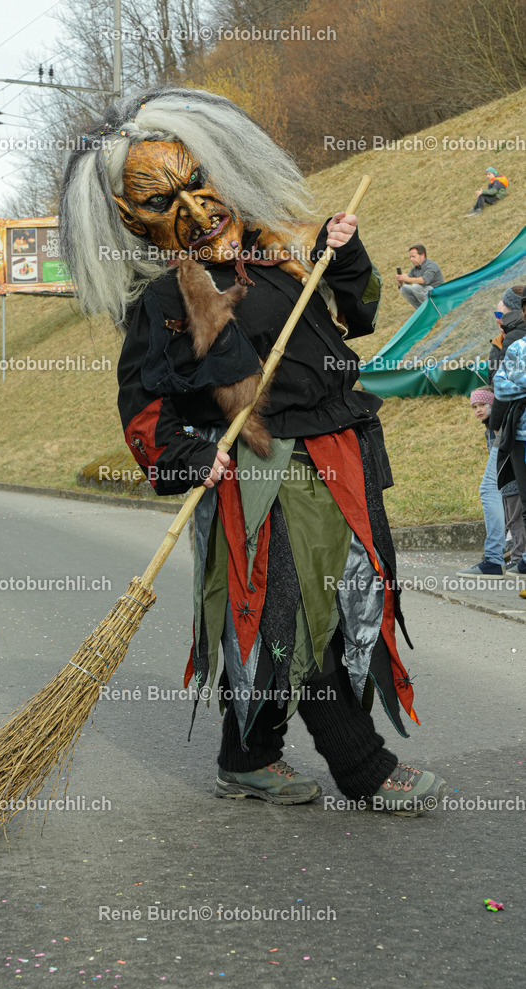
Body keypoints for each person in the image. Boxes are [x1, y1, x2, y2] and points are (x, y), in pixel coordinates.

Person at [60, 87, 447, 815]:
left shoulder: (277, 256)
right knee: (292, 618)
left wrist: (342, 252)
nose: (198, 211)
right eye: (161, 199)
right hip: (260, 477)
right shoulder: (165, 303)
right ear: (133, 223)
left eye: (196, 183)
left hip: (340, 461)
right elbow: (144, 411)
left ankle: (248, 757)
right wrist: (182, 455)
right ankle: (363, 767)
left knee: (323, 608)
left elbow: (355, 317)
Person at [457, 387, 523, 577]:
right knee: (511, 515)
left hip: (510, 484)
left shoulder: (499, 426)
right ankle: (511, 557)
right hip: (508, 483)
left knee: (497, 498)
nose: (478, 410)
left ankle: (498, 557)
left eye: (483, 405)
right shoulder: (489, 431)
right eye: (474, 407)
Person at [493, 312, 526, 578]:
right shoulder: (517, 347)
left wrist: (519, 383)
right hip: (520, 437)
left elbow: (510, 384)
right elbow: (500, 387)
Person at [395, 245, 444, 310]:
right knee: (404, 288)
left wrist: (407, 279)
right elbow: (406, 282)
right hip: (426, 292)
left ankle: (431, 309)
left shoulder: (432, 265)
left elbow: (425, 280)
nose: (411, 259)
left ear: (422, 255)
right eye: (410, 257)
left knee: (415, 287)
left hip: (437, 293)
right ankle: (420, 310)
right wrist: (400, 281)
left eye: (413, 256)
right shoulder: (415, 268)